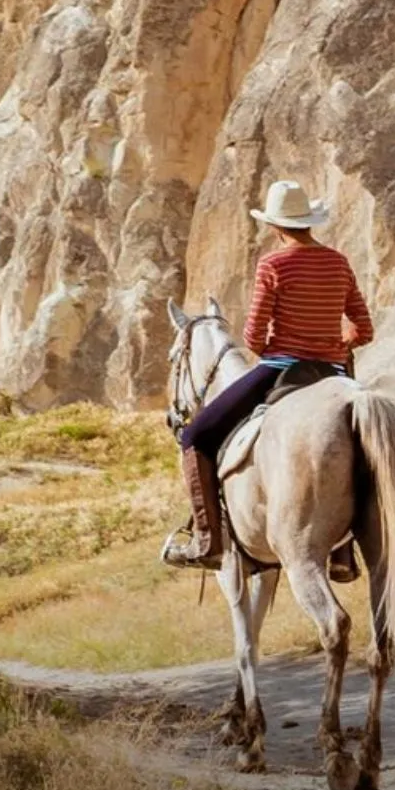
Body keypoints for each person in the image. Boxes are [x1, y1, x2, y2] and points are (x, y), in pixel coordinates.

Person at [163, 179, 375, 579]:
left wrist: (285, 342)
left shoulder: (273, 265)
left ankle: (206, 541)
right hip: (332, 370)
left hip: (282, 369)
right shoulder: (338, 262)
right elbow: (363, 330)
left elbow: (254, 337)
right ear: (309, 224)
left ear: (276, 227)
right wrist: (334, 340)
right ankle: (345, 554)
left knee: (195, 436)